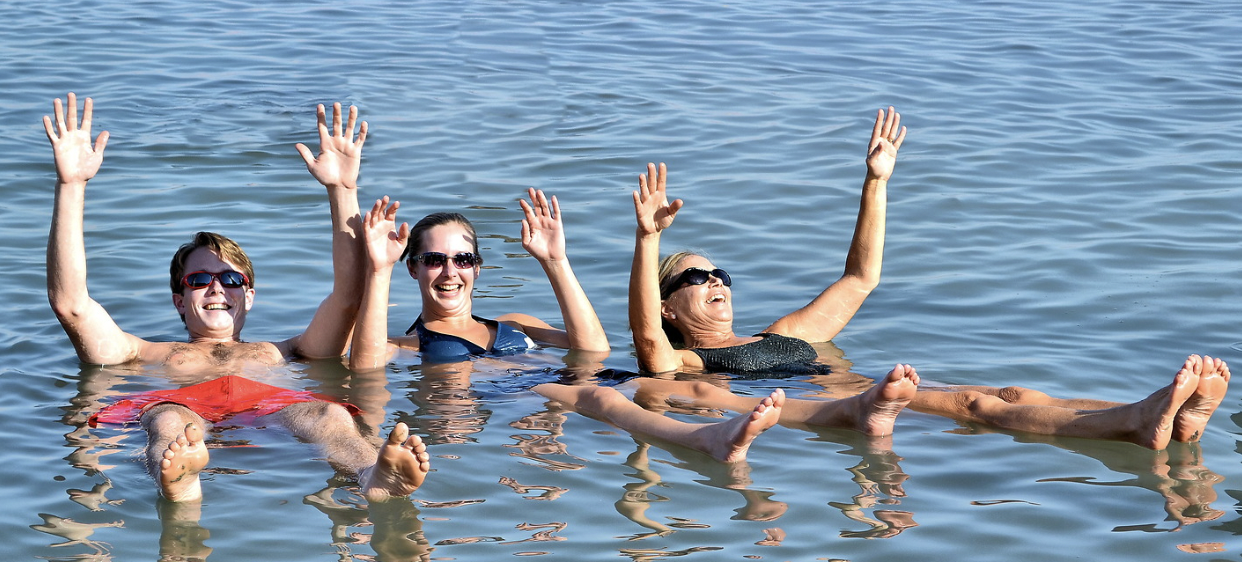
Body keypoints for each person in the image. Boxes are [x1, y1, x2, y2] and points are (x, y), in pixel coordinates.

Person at [623, 106, 1230, 450]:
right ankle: (1134, 421)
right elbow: (649, 348)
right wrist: (650, 241)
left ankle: (1165, 416)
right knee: (974, 405)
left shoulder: (782, 331)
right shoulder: (692, 364)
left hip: (862, 384)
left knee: (1013, 395)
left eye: (719, 271)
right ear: (669, 307)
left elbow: (861, 277)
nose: (714, 278)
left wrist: (876, 183)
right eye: (694, 276)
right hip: (840, 403)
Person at [44, 93, 427, 501]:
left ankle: (372, 476)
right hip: (184, 408)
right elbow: (72, 305)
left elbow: (349, 296)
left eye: (230, 278)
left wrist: (342, 188)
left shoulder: (285, 351)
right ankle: (179, 483)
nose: (216, 287)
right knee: (170, 421)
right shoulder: (146, 353)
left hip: (272, 407)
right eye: (198, 280)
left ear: (249, 295)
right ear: (178, 300)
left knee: (331, 414)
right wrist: (71, 185)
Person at [347, 186, 610, 370]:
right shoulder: (406, 346)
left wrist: (555, 261)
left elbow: (594, 351)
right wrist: (380, 271)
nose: (450, 271)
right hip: (520, 415)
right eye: (434, 260)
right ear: (413, 269)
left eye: (462, 259)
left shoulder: (517, 323)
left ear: (476, 268)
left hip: (583, 394)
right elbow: (365, 368)